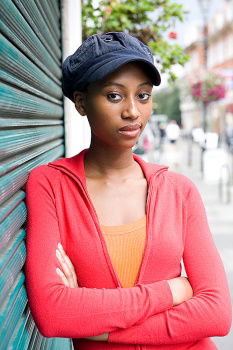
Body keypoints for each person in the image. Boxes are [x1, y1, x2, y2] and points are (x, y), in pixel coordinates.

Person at [25, 32, 232, 349]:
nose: (133, 112)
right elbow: (53, 314)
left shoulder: (179, 190)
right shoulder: (51, 185)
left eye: (143, 96)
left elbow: (216, 315)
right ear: (81, 102)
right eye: (114, 96)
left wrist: (96, 325)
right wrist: (172, 291)